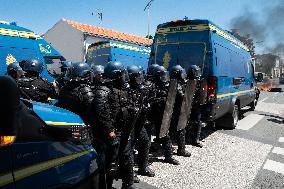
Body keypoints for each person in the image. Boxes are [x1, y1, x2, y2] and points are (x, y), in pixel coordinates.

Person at [104, 61, 137, 189]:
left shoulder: (124, 89)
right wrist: (109, 130)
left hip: (125, 129)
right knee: (112, 161)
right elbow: (103, 114)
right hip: (113, 131)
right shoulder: (106, 91)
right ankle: (108, 186)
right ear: (116, 75)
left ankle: (128, 184)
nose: (124, 76)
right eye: (121, 74)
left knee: (127, 157)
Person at [127, 65, 155, 177]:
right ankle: (129, 172)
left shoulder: (141, 88)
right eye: (137, 76)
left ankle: (143, 167)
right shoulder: (126, 89)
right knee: (130, 147)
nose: (140, 78)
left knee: (145, 142)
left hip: (140, 121)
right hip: (129, 124)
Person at [150, 65, 179, 165]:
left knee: (164, 134)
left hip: (163, 115)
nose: (164, 77)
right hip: (153, 115)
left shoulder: (165, 85)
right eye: (162, 75)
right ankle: (167, 155)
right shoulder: (152, 86)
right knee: (161, 135)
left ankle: (167, 155)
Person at [169, 65, 191, 157]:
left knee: (173, 130)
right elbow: (183, 97)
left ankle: (170, 149)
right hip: (176, 111)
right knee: (181, 130)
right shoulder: (176, 85)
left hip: (176, 111)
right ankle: (181, 150)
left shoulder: (178, 83)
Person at [187, 65, 204, 148]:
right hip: (187, 106)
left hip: (196, 105)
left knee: (197, 122)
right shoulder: (186, 82)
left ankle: (195, 139)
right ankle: (187, 138)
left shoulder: (199, 82)